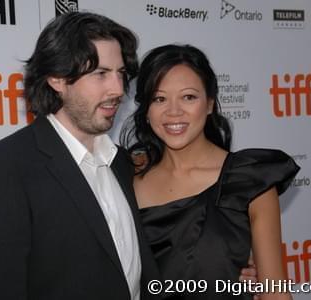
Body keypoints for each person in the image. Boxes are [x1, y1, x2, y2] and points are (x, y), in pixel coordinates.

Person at [0, 12, 257, 300]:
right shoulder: (3, 168)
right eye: (100, 74)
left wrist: (219, 274)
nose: (118, 90)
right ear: (57, 79)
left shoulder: (126, 165)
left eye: (121, 74)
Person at [122, 44, 300, 299]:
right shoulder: (126, 179)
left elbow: (275, 293)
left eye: (188, 97)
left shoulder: (249, 180)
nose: (174, 111)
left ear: (209, 104)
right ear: (146, 110)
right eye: (159, 99)